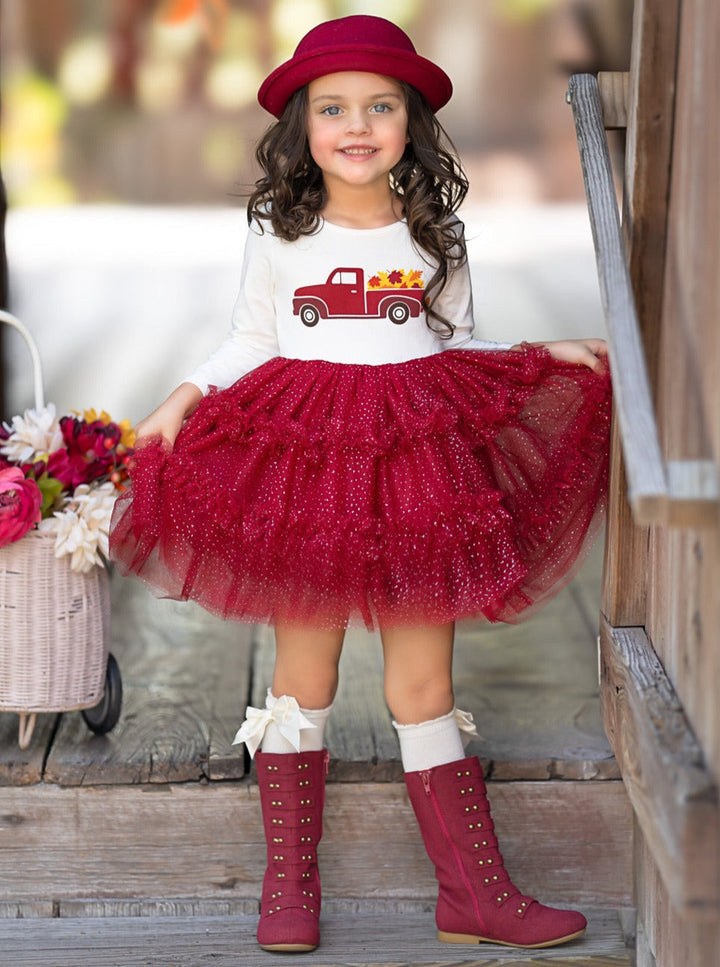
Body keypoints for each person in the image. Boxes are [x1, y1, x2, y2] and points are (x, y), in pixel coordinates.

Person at [110, 14, 611, 955]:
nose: (357, 124)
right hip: (309, 468)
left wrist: (547, 352)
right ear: (301, 125)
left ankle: (476, 893)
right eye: (334, 107)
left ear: (410, 127)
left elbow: (456, 342)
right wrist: (183, 395)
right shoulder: (280, 232)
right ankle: (288, 886)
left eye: (381, 107)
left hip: (419, 467)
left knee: (423, 682)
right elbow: (253, 338)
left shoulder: (436, 232)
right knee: (305, 676)